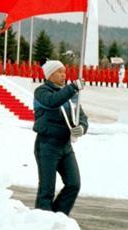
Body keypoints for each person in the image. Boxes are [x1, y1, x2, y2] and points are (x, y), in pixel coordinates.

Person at [32, 60, 87, 216]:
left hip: (65, 146)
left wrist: (81, 128)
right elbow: (53, 102)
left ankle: (57, 217)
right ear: (50, 75)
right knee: (47, 189)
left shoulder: (71, 95)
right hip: (47, 145)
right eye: (59, 72)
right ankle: (42, 221)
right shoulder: (41, 92)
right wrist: (73, 87)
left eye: (65, 71)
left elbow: (82, 117)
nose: (64, 75)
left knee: (74, 184)